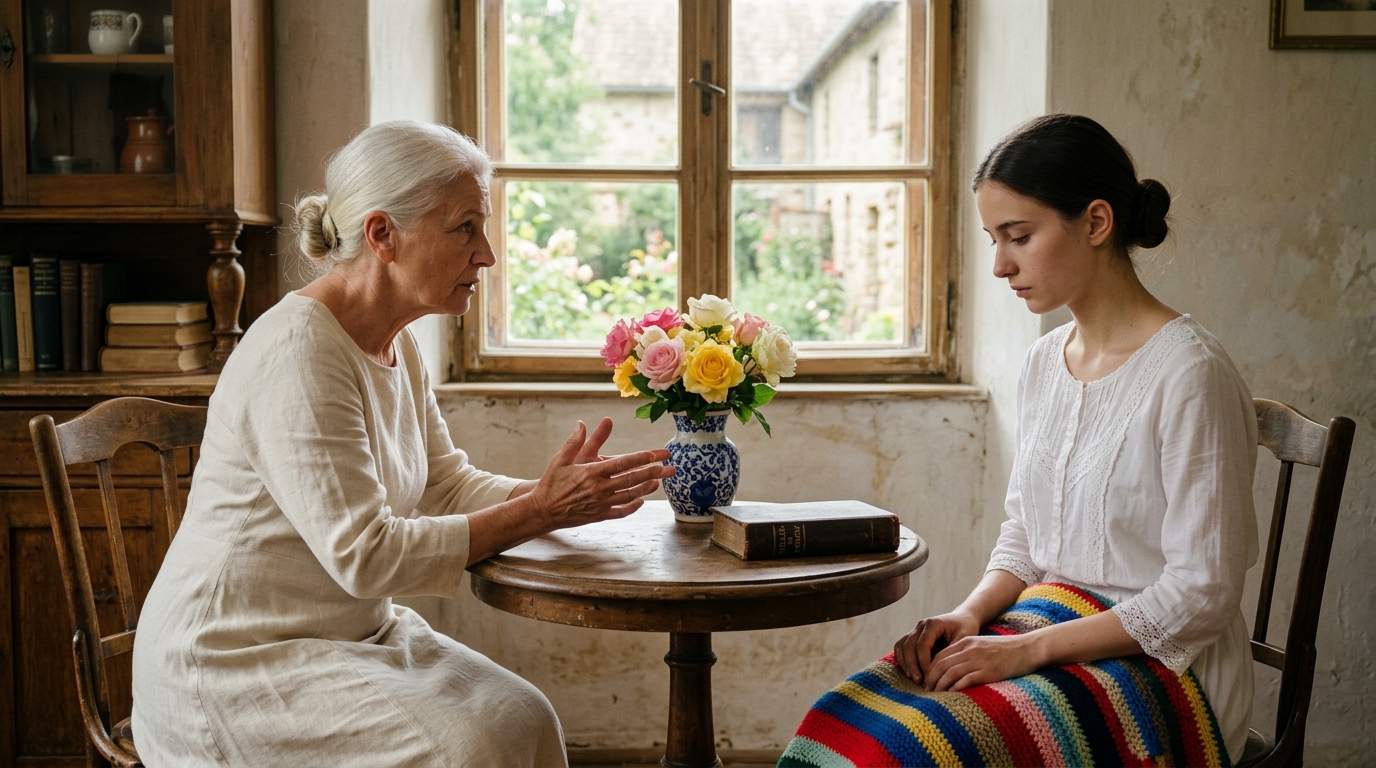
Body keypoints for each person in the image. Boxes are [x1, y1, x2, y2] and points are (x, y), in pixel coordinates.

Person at [131, 120, 676, 767]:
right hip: (233, 661)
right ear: (382, 234)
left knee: (523, 717)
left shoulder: (398, 343)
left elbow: (446, 483)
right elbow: (365, 555)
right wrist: (539, 510)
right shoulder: (300, 350)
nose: (487, 255)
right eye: (465, 228)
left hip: (349, 635)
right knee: (476, 747)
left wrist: (563, 498)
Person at [781, 114, 1257, 767]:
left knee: (914, 756)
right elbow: (1026, 536)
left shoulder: (1190, 371)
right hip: (1053, 626)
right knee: (843, 731)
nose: (1001, 265)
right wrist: (970, 615)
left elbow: (1203, 592)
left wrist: (1020, 650)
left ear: (1095, 223)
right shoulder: (1043, 363)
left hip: (1170, 671)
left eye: (1020, 236)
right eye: (993, 240)